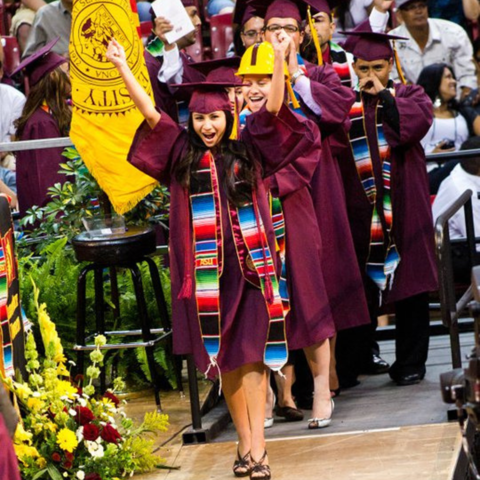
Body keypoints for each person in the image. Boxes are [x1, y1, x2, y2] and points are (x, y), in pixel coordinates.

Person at [106, 28, 321, 479]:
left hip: (250, 273)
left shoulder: (251, 149)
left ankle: (258, 450)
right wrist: (124, 67)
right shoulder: (181, 155)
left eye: (216, 117)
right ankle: (245, 444)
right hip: (208, 280)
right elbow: (150, 113)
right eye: (201, 118)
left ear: (230, 115)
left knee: (253, 360)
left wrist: (278, 62)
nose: (208, 126)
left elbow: (275, 110)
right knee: (227, 364)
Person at [262, 0, 372, 397]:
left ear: (302, 33)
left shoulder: (321, 73)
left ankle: (329, 375)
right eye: (272, 28)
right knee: (280, 280)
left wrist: (295, 73)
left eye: (289, 28)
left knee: (321, 276)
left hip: (318, 183)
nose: (280, 35)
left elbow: (340, 111)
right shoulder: (253, 76)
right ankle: (286, 389)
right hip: (273, 188)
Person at [238, 41, 336, 429]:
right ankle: (265, 395)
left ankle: (322, 392)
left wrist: (280, 60)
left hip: (293, 218)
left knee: (309, 304)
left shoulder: (302, 124)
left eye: (264, 80)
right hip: (253, 224)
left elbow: (298, 166)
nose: (255, 88)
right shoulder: (234, 128)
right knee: (261, 309)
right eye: (249, 81)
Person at [337, 23, 437, 387]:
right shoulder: (343, 104)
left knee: (411, 286)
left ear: (390, 65)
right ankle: (355, 361)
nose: (370, 75)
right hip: (358, 210)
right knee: (357, 289)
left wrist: (385, 97)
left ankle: (410, 363)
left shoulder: (411, 94)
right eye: (363, 68)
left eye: (377, 67)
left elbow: (413, 126)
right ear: (353, 67)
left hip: (405, 208)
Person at [12, 38, 71, 216]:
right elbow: (49, 182)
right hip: (51, 222)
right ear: (53, 77)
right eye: (66, 72)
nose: (70, 77)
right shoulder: (41, 124)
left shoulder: (45, 117)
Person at [389, 0, 477, 96]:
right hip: (411, 101)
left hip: (454, 99)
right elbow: (394, 81)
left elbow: (467, 74)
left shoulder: (454, 33)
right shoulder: (391, 42)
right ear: (399, 15)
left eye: (422, 6)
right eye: (411, 7)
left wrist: (464, 98)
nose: (418, 11)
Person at [143, 0, 203, 122]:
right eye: (192, 15)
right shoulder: (150, 66)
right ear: (169, 22)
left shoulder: (181, 55)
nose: (199, 22)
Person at [432, 137, 480, 283]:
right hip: (451, 257)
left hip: (465, 246)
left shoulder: (465, 170)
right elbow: (478, 241)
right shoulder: (464, 191)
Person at [0, 40, 26, 171]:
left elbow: (14, 138)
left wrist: (3, 150)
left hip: (4, 155)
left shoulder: (16, 98)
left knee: (15, 164)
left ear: (1, 73)